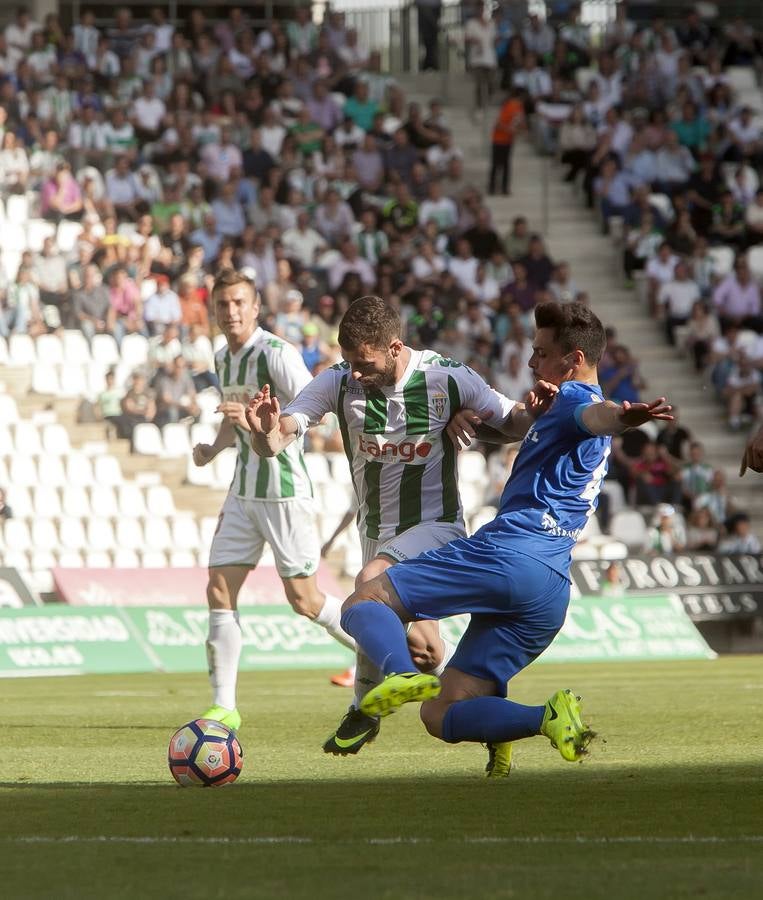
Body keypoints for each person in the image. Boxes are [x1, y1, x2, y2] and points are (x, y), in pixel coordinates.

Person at [328, 302, 672, 776]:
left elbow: (599, 414)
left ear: (573, 359)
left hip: (508, 554)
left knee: (365, 599)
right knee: (441, 712)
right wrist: (460, 424)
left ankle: (398, 675)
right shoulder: (558, 409)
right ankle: (543, 718)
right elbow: (539, 431)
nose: (531, 363)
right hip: (550, 588)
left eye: (540, 352)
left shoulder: (575, 399)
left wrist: (624, 417)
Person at [247, 295, 552, 758]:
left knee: (368, 586)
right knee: (428, 651)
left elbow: (511, 423)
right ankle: (493, 719)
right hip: (377, 533)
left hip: (436, 526)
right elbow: (280, 435)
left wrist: (534, 410)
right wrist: (264, 430)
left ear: (393, 347)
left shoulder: (445, 378)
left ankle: (373, 702)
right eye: (349, 361)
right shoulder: (338, 382)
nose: (354, 372)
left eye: (363, 362)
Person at [190, 269, 354, 733]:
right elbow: (234, 418)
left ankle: (377, 648)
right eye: (223, 304)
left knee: (304, 600)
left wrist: (254, 421)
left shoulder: (276, 353)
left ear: (256, 307)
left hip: (283, 491)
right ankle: (224, 706)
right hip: (244, 491)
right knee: (219, 589)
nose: (231, 311)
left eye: (240, 302)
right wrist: (214, 448)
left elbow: (314, 410)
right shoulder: (223, 357)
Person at [488, 87, 524, 196]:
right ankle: (493, 187)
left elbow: (519, 124)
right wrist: (510, 129)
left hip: (507, 140)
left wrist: (515, 130)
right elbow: (498, 124)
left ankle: (502, 188)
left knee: (504, 165)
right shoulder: (509, 106)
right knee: (497, 164)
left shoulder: (517, 107)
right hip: (499, 139)